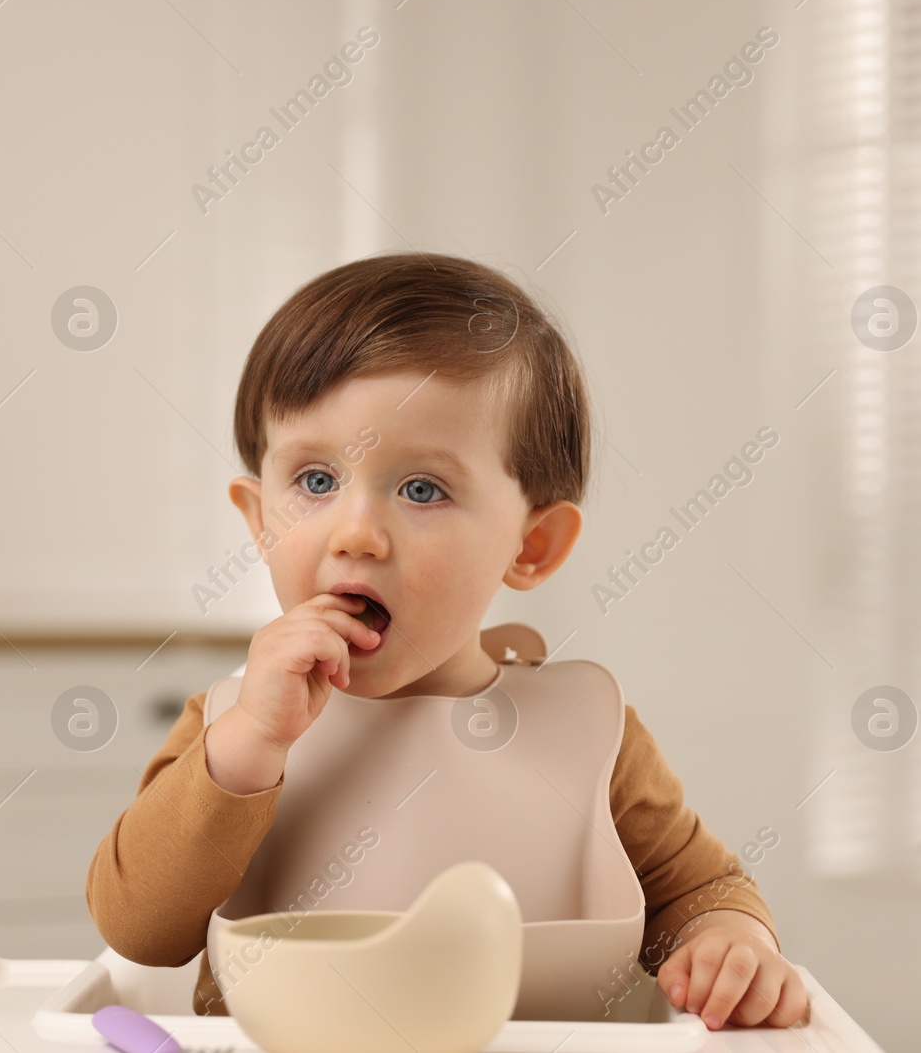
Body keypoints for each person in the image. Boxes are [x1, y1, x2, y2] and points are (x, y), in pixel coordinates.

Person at [85, 251, 810, 1031]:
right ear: (260, 521)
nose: (356, 532)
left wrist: (730, 944)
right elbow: (138, 928)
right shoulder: (231, 726)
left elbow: (698, 891)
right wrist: (249, 747)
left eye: (421, 489)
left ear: (531, 545)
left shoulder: (589, 733)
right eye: (317, 481)